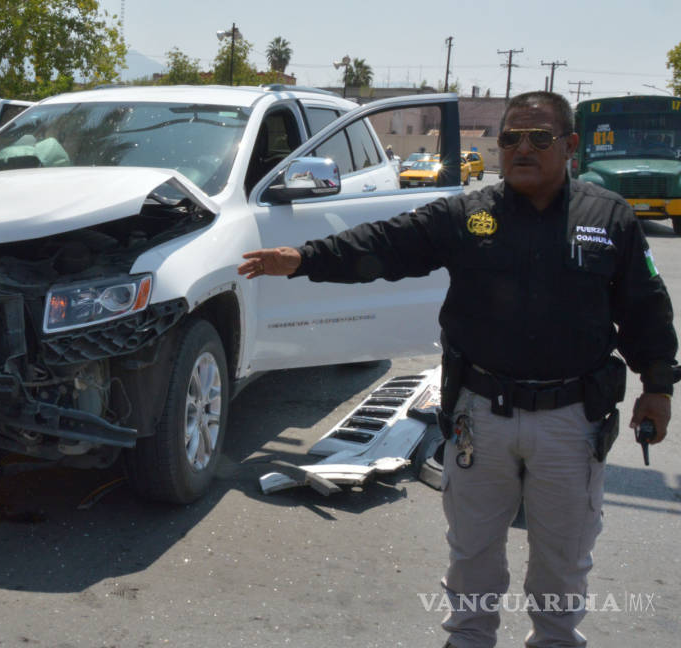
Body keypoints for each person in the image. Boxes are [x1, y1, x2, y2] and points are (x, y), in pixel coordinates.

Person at [237, 91, 677, 647]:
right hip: (480, 418)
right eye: (511, 137)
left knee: (563, 559)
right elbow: (383, 244)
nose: (523, 147)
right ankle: (469, 638)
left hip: (571, 421)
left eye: (539, 138)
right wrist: (303, 259)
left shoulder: (608, 217)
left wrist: (657, 387)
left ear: (569, 146)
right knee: (472, 553)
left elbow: (646, 309)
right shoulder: (470, 213)